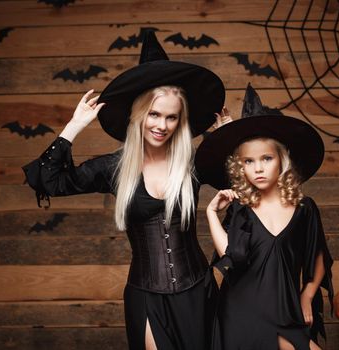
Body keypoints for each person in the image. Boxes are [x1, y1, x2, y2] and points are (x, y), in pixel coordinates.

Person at [22, 31, 230, 350]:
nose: (161, 124)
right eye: (154, 114)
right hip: (146, 295)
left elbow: (245, 188)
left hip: (197, 291)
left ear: (180, 121)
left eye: (171, 117)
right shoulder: (113, 168)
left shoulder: (194, 163)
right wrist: (74, 126)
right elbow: (48, 181)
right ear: (138, 114)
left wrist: (229, 138)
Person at [195, 84, 334, 350]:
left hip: (285, 310)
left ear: (282, 160)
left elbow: (318, 256)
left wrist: (307, 294)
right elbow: (230, 255)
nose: (258, 168)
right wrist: (212, 214)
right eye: (249, 161)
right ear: (241, 167)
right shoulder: (241, 209)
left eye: (266, 158)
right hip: (240, 311)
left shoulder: (305, 208)